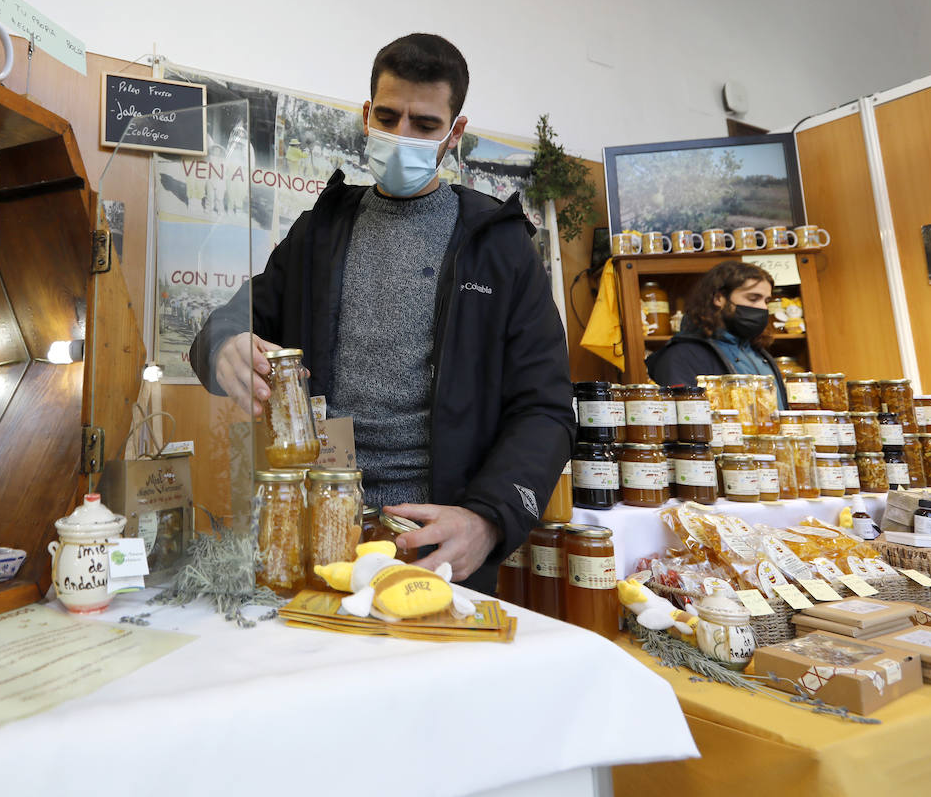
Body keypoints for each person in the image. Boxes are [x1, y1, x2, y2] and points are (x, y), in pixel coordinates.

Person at [191, 33, 574, 592]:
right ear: (367, 114)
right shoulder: (319, 230)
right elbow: (230, 320)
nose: (401, 137)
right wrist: (225, 343)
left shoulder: (500, 246)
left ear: (455, 133)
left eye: (424, 125)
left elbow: (546, 409)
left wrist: (488, 520)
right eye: (389, 117)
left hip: (437, 545)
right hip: (315, 530)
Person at [645, 259, 787, 408]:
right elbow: (689, 422)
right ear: (719, 298)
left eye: (766, 301)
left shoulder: (758, 354)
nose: (762, 308)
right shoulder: (681, 355)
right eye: (753, 298)